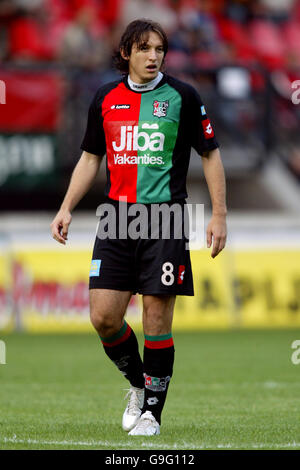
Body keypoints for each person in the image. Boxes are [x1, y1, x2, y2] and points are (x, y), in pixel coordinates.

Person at [50, 18, 227, 436]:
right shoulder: (105, 97)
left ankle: (152, 414)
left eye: (160, 49)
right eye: (145, 49)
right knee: (104, 318)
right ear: (126, 52)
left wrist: (219, 214)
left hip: (164, 217)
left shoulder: (183, 96)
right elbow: (91, 157)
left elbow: (211, 153)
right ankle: (139, 384)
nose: (153, 56)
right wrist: (66, 207)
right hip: (116, 217)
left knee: (155, 318)